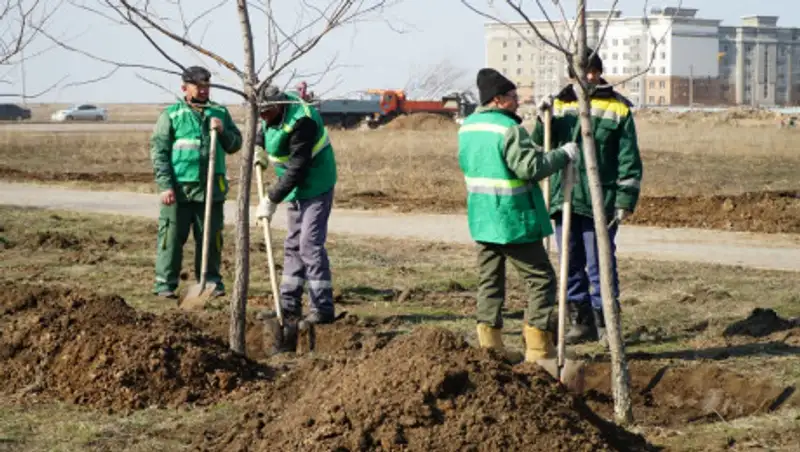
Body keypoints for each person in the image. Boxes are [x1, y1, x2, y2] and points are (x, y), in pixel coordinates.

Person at [458, 68, 580, 363]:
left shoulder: (468, 127)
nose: (518, 101)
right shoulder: (508, 130)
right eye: (513, 97)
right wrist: (563, 154)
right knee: (541, 280)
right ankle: (538, 348)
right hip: (511, 220)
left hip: (482, 219)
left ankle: (490, 348)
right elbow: (530, 168)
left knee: (490, 281)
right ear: (498, 100)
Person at [533, 49, 643, 346]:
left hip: (601, 201)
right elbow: (539, 146)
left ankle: (607, 323)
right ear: (572, 75)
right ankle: (580, 322)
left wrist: (623, 201)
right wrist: (542, 119)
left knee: (600, 263)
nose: (590, 77)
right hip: (564, 199)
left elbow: (628, 158)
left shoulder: (617, 108)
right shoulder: (558, 105)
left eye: (594, 70)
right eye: (584, 72)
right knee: (569, 261)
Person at [150, 65, 242, 299]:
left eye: (206, 85)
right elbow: (159, 152)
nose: (203, 90)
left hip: (211, 191)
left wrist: (221, 131)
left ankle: (210, 282)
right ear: (185, 87)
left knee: (211, 238)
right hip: (179, 192)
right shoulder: (171, 115)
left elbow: (235, 145)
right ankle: (165, 285)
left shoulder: (219, 112)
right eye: (198, 86)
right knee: (170, 238)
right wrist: (165, 186)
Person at [254, 85, 338, 325]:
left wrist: (270, 200)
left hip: (316, 183)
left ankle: (322, 309)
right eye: (260, 113)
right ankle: (288, 306)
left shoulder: (303, 121)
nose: (263, 117)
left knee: (309, 245)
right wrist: (259, 146)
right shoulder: (267, 110)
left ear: (279, 105)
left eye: (266, 112)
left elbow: (297, 168)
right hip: (294, 186)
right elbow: (263, 128)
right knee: (292, 244)